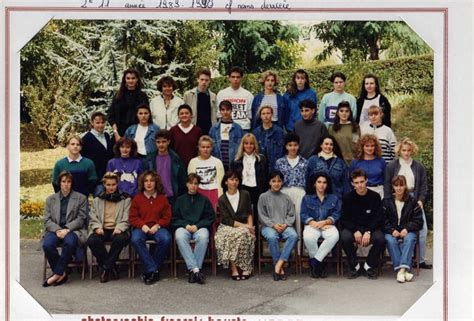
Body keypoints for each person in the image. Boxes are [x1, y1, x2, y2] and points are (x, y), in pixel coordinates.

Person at [384, 137, 431, 269]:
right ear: (399, 151)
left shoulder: (418, 166)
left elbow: (423, 186)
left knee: (422, 229)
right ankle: (401, 259)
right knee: (396, 227)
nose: (406, 153)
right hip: (396, 196)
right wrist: (389, 201)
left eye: (409, 150)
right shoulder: (392, 166)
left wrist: (421, 200)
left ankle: (420, 260)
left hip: (413, 197)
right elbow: (387, 185)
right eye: (404, 150)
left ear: (412, 151)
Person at [42, 171, 88, 287]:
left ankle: (57, 274)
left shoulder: (81, 198)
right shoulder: (50, 199)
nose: (66, 184)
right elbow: (47, 220)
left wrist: (67, 229)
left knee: (70, 242)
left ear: (72, 183)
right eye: (63, 182)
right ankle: (62, 272)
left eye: (69, 182)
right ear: (59, 183)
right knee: (47, 244)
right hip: (54, 230)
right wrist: (58, 230)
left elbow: (82, 218)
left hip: (73, 230)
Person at [129, 170, 172, 285]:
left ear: (156, 183)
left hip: (158, 227)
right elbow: (132, 217)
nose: (149, 183)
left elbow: (167, 217)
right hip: (142, 227)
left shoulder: (162, 198)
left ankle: (150, 270)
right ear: (142, 183)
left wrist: (158, 225)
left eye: (152, 181)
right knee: (135, 239)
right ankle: (153, 270)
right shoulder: (137, 198)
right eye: (146, 181)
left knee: (166, 239)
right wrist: (142, 225)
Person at [341, 169, 385, 280]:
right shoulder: (347, 198)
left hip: (370, 228)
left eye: (362, 181)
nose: (359, 185)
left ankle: (368, 265)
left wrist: (368, 231)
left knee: (380, 239)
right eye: (356, 183)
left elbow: (378, 217)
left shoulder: (375, 197)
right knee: (345, 237)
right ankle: (354, 266)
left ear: (366, 181)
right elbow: (345, 218)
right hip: (353, 229)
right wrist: (355, 230)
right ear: (352, 184)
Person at [87, 172, 131, 283]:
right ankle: (112, 267)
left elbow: (127, 217)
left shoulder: (125, 199)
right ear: (104, 185)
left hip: (118, 228)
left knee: (121, 239)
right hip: (102, 228)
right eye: (108, 185)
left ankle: (106, 269)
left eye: (113, 185)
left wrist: (120, 227)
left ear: (117, 185)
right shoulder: (98, 199)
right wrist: (97, 227)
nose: (111, 187)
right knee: (92, 240)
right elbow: (93, 216)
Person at [172, 173, 216, 284]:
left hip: (199, 227)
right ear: (187, 184)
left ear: (198, 185)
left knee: (203, 237)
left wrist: (198, 225)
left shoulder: (204, 200)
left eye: (196, 183)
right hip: (184, 227)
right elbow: (174, 218)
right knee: (179, 236)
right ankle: (196, 270)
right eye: (191, 183)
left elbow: (210, 217)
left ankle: (193, 271)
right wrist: (185, 225)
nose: (193, 186)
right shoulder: (180, 200)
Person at [214, 170, 255, 280]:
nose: (234, 182)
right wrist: (245, 226)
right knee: (231, 236)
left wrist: (250, 227)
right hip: (228, 226)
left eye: (236, 180)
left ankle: (246, 267)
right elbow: (226, 220)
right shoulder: (222, 199)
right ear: (226, 182)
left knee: (244, 234)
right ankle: (234, 269)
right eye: (231, 179)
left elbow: (249, 212)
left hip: (245, 225)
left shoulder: (245, 194)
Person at [257, 171, 298, 281]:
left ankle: (279, 263)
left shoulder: (286, 197)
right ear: (269, 182)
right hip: (268, 226)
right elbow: (262, 215)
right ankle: (278, 265)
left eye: (279, 181)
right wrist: (273, 224)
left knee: (293, 235)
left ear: (282, 182)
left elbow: (291, 214)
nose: (276, 183)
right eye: (273, 181)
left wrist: (285, 224)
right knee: (272, 236)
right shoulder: (263, 197)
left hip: (285, 225)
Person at [382, 175, 423, 283]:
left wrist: (407, 229)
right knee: (389, 240)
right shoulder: (386, 202)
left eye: (401, 185)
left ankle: (401, 270)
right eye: (396, 186)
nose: (399, 188)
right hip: (392, 231)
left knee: (410, 239)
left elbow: (419, 221)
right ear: (393, 187)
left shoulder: (413, 202)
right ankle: (404, 270)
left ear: (405, 186)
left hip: (408, 231)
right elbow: (382, 220)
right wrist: (392, 230)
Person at [300, 172, 341, 278]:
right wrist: (314, 222)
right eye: (319, 182)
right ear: (314, 184)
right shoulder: (307, 198)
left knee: (334, 236)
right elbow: (303, 214)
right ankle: (320, 264)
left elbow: (337, 214)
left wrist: (326, 222)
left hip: (328, 225)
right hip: (312, 225)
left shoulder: (333, 198)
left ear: (327, 184)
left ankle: (315, 263)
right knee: (308, 237)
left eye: (324, 182)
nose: (322, 185)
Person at [274, 133, 308, 254]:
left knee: (299, 221)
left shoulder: (305, 162)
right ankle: (285, 253)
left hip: (299, 192)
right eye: (290, 145)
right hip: (284, 192)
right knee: (284, 222)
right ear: (286, 146)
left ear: (298, 146)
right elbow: (276, 180)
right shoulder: (280, 162)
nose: (293, 148)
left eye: (295, 145)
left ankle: (299, 252)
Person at [231, 133, 268, 223]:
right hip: (242, 189)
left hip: (257, 190)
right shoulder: (236, 160)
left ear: (255, 145)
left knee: (256, 214)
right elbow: (233, 178)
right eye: (246, 143)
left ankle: (255, 235)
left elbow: (265, 176)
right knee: (243, 214)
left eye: (251, 143)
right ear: (242, 145)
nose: (249, 146)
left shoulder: (261, 159)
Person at [108, 68, 149, 141]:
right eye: (128, 78)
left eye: (133, 78)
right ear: (125, 80)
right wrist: (116, 133)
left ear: (137, 80)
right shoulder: (118, 96)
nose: (131, 81)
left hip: (137, 133)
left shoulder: (142, 96)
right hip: (119, 134)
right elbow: (111, 116)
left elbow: (146, 116)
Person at [147, 129, 187, 205]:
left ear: (168, 142)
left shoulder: (176, 159)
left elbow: (182, 180)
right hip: (155, 196)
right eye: (158, 142)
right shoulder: (150, 160)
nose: (161, 145)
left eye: (164, 142)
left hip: (172, 198)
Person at [188, 135, 225, 210]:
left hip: (214, 192)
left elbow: (221, 182)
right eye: (203, 147)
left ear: (211, 148)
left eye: (208, 147)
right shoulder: (193, 162)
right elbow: (190, 182)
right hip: (199, 192)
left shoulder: (217, 162)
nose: (205, 149)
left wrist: (220, 198)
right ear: (199, 147)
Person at [306, 135, 350, 200]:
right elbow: (308, 182)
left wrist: (346, 199)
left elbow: (345, 183)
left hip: (337, 199)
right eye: (326, 144)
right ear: (321, 145)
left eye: (331, 144)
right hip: (317, 200)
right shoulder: (312, 160)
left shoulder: (340, 162)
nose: (328, 146)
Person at [81, 111, 114, 196]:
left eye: (102, 123)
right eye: (97, 123)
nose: (100, 125)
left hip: (108, 175)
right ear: (92, 123)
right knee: (99, 201)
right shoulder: (87, 139)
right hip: (97, 178)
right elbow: (84, 160)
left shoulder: (106, 135)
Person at [209, 100, 244, 171]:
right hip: (218, 162)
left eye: (228, 110)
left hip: (233, 164)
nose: (225, 112)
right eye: (223, 110)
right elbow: (210, 147)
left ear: (231, 110)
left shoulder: (238, 128)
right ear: (220, 111)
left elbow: (241, 147)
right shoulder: (214, 129)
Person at [216, 66, 253, 132]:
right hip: (226, 127)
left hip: (243, 128)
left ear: (242, 78)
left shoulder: (248, 95)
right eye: (233, 77)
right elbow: (219, 114)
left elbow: (250, 115)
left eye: (238, 77)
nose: (235, 79)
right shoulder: (221, 94)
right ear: (229, 78)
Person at [349, 134, 386, 198]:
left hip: (378, 192)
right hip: (360, 192)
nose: (370, 148)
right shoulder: (355, 162)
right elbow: (350, 179)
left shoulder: (381, 161)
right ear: (362, 147)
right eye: (367, 146)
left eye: (372, 146)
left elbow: (385, 179)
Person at [124, 104, 160, 168]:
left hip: (151, 161)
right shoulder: (130, 130)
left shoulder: (156, 129)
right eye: (140, 113)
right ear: (137, 115)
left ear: (149, 115)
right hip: (135, 160)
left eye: (146, 113)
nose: (143, 116)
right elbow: (124, 146)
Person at [183, 68, 217, 135]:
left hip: (209, 131)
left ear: (209, 81)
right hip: (193, 130)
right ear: (197, 79)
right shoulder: (188, 95)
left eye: (206, 80)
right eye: (202, 79)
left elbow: (214, 114)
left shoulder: (213, 96)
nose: (204, 82)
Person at [252, 105, 285, 172]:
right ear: (260, 116)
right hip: (260, 167)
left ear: (272, 114)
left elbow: (282, 151)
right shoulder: (255, 133)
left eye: (268, 113)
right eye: (263, 114)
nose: (266, 116)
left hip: (275, 167)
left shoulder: (279, 131)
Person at [169, 104, 203, 168]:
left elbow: (200, 149)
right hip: (177, 165)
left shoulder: (197, 130)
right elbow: (170, 149)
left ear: (191, 115)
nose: (184, 115)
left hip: (194, 165)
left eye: (186, 113)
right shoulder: (173, 130)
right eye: (181, 113)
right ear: (178, 116)